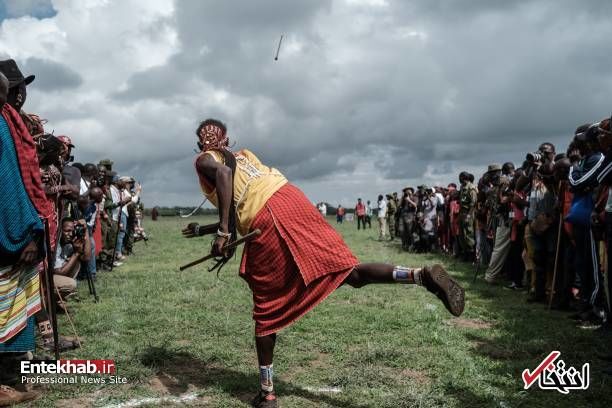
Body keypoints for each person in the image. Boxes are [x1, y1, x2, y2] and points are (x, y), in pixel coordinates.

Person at [184, 118, 465, 407]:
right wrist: (211, 230)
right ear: (228, 140)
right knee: (347, 272)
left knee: (266, 306)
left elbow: (223, 177)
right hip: (291, 199)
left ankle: (267, 394)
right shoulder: (244, 155)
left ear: (200, 144)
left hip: (267, 217)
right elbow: (237, 196)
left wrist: (221, 233)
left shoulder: (203, 159)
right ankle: (421, 275)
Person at [0, 70, 42, 405]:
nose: (16, 97)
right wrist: (28, 230)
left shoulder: (9, 122)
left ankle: (9, 376)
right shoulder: (2, 125)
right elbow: (8, 183)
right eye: (10, 91)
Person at [457, 171, 477, 261]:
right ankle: (465, 254)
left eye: (460, 177)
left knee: (469, 234)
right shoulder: (462, 187)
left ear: (464, 178)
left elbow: (473, 204)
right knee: (462, 235)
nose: (459, 179)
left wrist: (469, 216)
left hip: (468, 213)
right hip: (462, 213)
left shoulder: (471, 188)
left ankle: (471, 256)